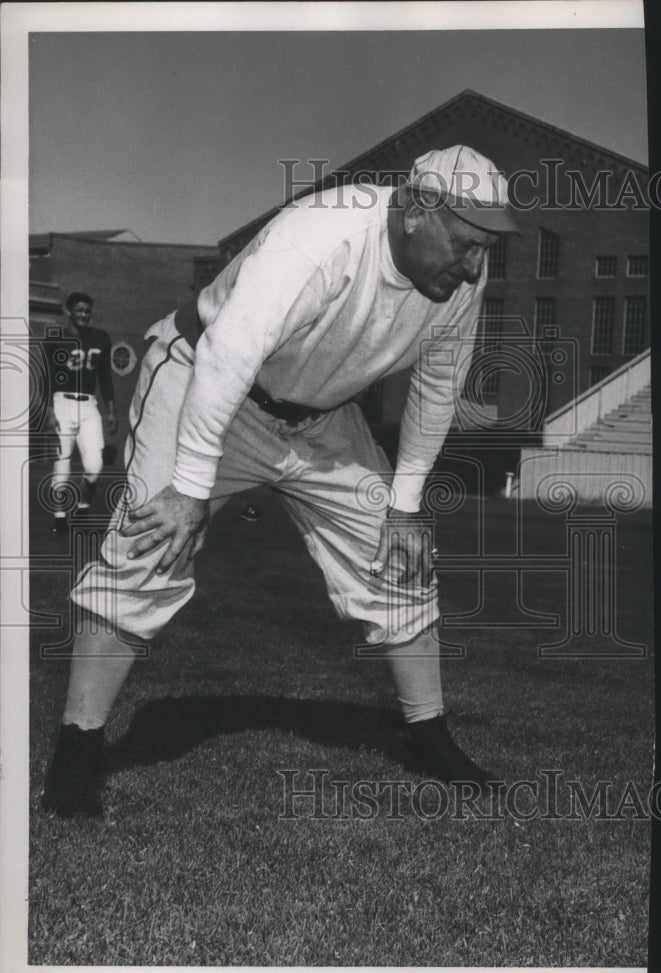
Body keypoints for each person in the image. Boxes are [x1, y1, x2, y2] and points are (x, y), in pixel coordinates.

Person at [41, 146, 520, 818]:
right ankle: (78, 744)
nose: (474, 266)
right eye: (465, 244)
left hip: (325, 418)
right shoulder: (319, 237)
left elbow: (438, 384)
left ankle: (429, 737)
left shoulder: (462, 271)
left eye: (483, 248)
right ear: (416, 210)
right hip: (208, 383)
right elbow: (228, 353)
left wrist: (405, 507)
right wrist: (188, 487)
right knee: (147, 549)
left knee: (400, 560)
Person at [45, 292, 117, 533]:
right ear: (69, 312)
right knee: (62, 465)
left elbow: (105, 376)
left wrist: (111, 410)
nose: (84, 315)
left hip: (88, 405)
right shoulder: (56, 337)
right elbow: (46, 378)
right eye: (79, 311)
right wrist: (48, 411)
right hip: (61, 403)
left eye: (87, 311)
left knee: (94, 465)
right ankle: (59, 518)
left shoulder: (100, 337)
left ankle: (82, 509)